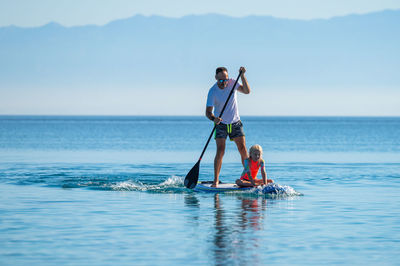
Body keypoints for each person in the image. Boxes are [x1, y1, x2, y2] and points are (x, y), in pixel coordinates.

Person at [206, 66, 250, 187]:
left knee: (243, 149)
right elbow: (208, 113)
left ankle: (249, 177)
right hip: (221, 124)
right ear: (216, 78)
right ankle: (216, 180)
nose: (224, 83)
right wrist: (213, 118)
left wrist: (242, 76)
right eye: (220, 80)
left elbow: (247, 91)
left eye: (225, 79)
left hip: (235, 122)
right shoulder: (212, 91)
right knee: (220, 151)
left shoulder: (232, 82)